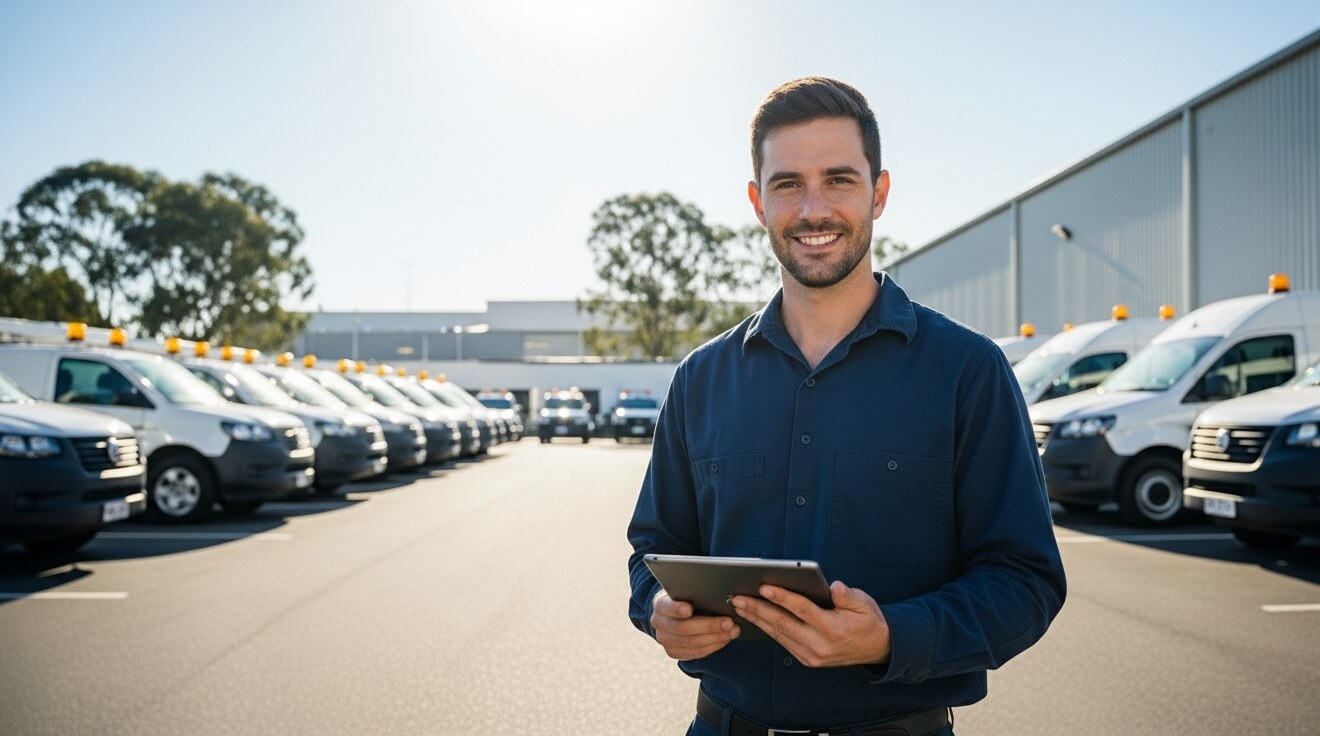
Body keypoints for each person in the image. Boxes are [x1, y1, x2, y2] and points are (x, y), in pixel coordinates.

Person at [626, 77, 1066, 736]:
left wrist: (892, 634)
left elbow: (1025, 580)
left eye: (839, 180)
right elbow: (653, 550)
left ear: (878, 193)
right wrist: (657, 605)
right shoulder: (701, 379)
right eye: (787, 184)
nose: (813, 210)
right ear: (757, 202)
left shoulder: (967, 373)